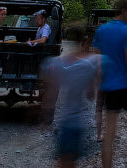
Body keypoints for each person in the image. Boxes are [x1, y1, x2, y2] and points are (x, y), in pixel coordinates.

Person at [91, 0, 127, 168]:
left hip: (108, 87)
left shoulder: (101, 30)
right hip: (124, 86)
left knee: (109, 132)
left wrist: (97, 84)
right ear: (124, 11)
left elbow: (96, 60)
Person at [44, 26, 102, 168]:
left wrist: (44, 118)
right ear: (83, 42)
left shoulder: (57, 63)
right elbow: (90, 95)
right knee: (70, 162)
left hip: (63, 122)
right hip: (80, 122)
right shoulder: (87, 66)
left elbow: (50, 93)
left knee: (64, 162)